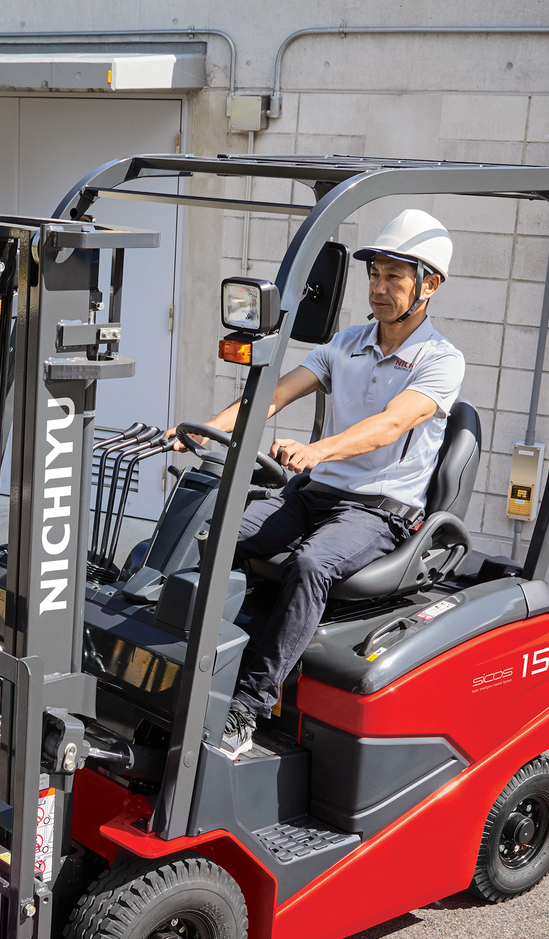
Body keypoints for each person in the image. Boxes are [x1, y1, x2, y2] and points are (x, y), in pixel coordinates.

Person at [198, 209, 466, 755]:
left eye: (395, 277)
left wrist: (316, 450)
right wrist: (204, 430)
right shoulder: (346, 342)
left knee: (310, 564)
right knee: (214, 530)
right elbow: (272, 396)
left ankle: (247, 706)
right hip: (315, 494)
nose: (380, 288)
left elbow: (390, 424)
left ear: (429, 285)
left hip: (377, 509)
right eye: (375, 276)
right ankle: (197, 663)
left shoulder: (440, 361)